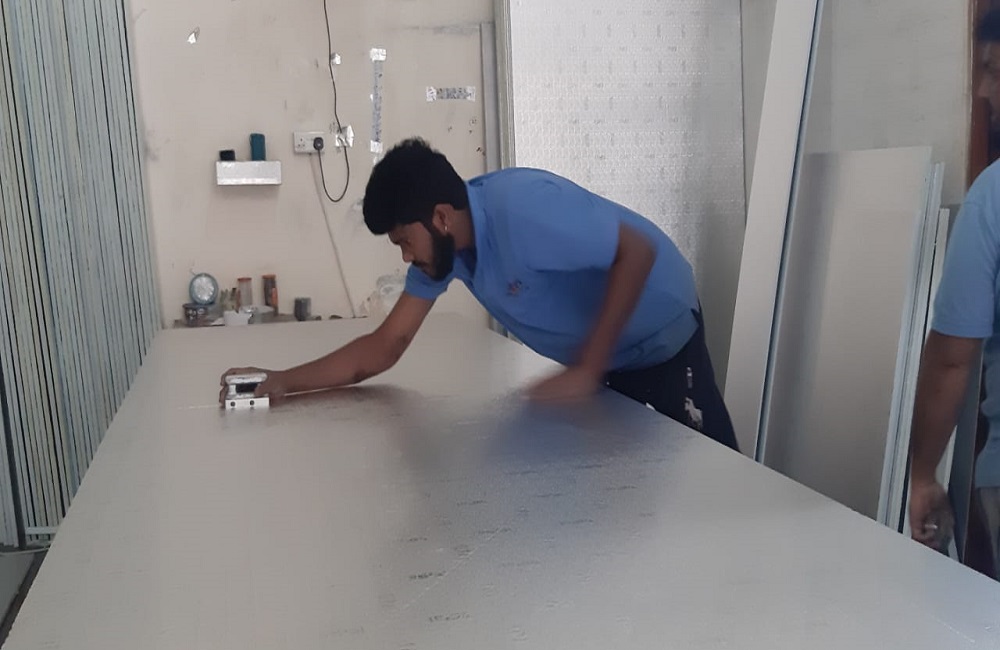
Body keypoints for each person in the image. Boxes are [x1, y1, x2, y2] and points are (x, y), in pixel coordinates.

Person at [221, 137, 739, 451]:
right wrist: (284, 382)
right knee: (632, 494)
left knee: (708, 481)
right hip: (608, 359)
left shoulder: (524, 208)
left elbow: (638, 252)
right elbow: (385, 346)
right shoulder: (450, 254)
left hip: (662, 339)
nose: (405, 257)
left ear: (440, 218)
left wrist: (586, 369)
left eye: (404, 241)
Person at [908, 10, 1000, 572]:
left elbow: (951, 360)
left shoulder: (993, 197)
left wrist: (922, 474)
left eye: (995, 72)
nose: (984, 91)